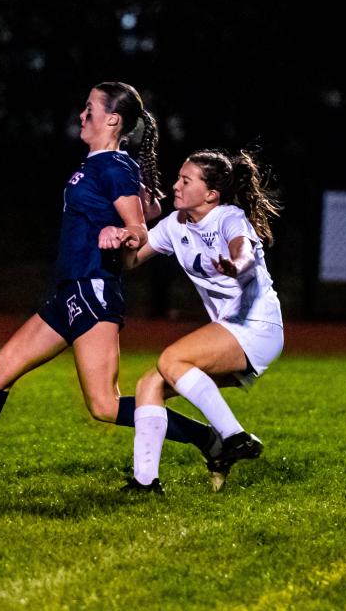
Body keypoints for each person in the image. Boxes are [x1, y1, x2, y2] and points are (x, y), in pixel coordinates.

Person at [0, 81, 220, 483]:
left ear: (112, 119)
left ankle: (210, 441)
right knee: (1, 369)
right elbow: (144, 207)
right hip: (69, 292)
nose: (82, 115)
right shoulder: (102, 164)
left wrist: (122, 233)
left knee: (103, 405)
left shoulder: (113, 165)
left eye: (90, 109)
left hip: (93, 290)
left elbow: (138, 228)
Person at [118, 148, 283, 494]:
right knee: (150, 385)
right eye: (178, 177)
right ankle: (145, 483)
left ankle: (234, 437)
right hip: (232, 330)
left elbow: (245, 254)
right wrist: (124, 231)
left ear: (210, 194)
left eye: (184, 180)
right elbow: (130, 262)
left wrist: (234, 266)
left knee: (171, 359)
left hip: (256, 325)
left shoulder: (227, 217)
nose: (175, 185)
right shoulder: (174, 225)